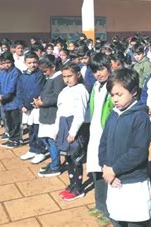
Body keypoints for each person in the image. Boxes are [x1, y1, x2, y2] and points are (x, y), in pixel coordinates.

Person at [99, 68, 151, 227]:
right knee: (116, 218)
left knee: (135, 221)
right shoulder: (113, 114)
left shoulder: (140, 117)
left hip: (133, 180)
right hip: (113, 178)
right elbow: (103, 143)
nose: (115, 99)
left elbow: (138, 151)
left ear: (133, 91)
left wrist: (114, 169)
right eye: (112, 94)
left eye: (119, 94)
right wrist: (105, 168)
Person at [53, 63, 90, 201]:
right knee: (68, 158)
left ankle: (78, 188)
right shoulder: (64, 91)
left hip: (76, 127)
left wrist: (73, 132)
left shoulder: (81, 90)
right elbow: (60, 112)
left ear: (78, 75)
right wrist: (56, 129)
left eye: (70, 76)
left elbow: (80, 113)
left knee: (77, 158)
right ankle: (71, 184)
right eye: (64, 76)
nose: (67, 79)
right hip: (64, 124)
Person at [86, 53, 114, 225]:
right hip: (95, 132)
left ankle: (109, 209)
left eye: (102, 69)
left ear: (109, 66)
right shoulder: (96, 86)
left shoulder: (114, 86)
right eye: (95, 71)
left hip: (107, 134)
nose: (98, 74)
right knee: (96, 169)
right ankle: (100, 206)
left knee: (107, 170)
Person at [36, 56, 66, 177]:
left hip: (52, 114)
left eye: (45, 70)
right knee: (47, 139)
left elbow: (58, 97)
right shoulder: (50, 77)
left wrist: (43, 102)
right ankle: (54, 162)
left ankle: (55, 166)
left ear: (52, 67)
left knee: (51, 140)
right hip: (46, 113)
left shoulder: (58, 78)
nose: (44, 73)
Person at [16, 52, 46, 164]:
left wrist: (36, 102)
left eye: (34, 62)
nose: (32, 65)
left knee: (38, 129)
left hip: (37, 107)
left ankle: (40, 151)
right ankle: (32, 149)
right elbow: (19, 91)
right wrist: (21, 105)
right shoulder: (23, 76)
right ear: (25, 63)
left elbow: (40, 90)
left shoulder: (40, 75)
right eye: (29, 63)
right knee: (31, 129)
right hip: (26, 108)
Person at [0, 52, 22, 148]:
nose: (6, 65)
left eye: (8, 62)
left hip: (14, 101)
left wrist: (4, 96)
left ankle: (16, 140)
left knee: (15, 122)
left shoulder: (16, 72)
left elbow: (12, 87)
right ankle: (11, 137)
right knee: (8, 121)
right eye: (4, 62)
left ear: (12, 62)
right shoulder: (2, 72)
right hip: (4, 102)